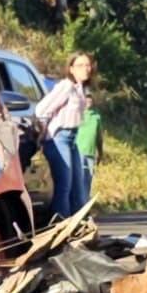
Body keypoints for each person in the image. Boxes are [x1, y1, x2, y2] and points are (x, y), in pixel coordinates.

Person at [26, 54, 99, 220]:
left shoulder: (81, 89)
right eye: (80, 65)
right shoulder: (66, 86)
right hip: (58, 137)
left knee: (78, 186)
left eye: (88, 65)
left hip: (72, 138)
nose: (85, 69)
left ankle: (79, 226)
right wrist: (43, 128)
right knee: (64, 185)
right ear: (71, 69)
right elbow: (42, 109)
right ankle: (61, 225)